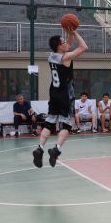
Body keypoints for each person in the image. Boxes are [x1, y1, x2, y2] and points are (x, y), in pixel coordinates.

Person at [33, 30, 88, 168]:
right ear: (59, 46)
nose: (66, 43)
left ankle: (39, 148)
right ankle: (56, 149)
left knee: (49, 123)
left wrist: (70, 35)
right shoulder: (66, 57)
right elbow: (84, 47)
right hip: (65, 95)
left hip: (54, 93)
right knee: (67, 125)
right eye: (63, 41)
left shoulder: (51, 56)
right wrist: (76, 33)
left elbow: (67, 45)